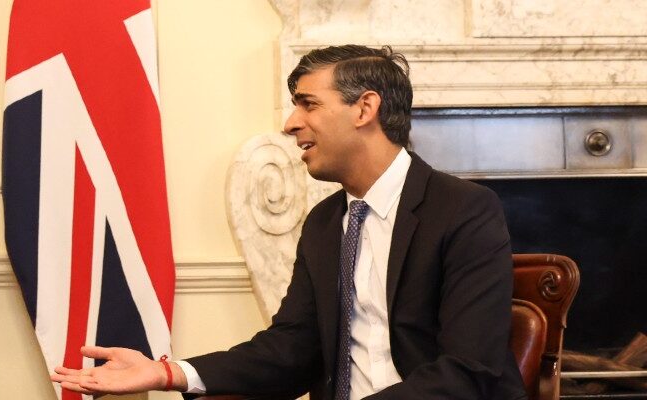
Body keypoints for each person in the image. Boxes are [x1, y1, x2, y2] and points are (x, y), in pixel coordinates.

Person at [51, 45, 527, 399]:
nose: (290, 123)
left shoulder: (464, 209)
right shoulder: (324, 224)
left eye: (308, 104)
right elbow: (292, 348)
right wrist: (168, 372)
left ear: (365, 108)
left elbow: (468, 371)